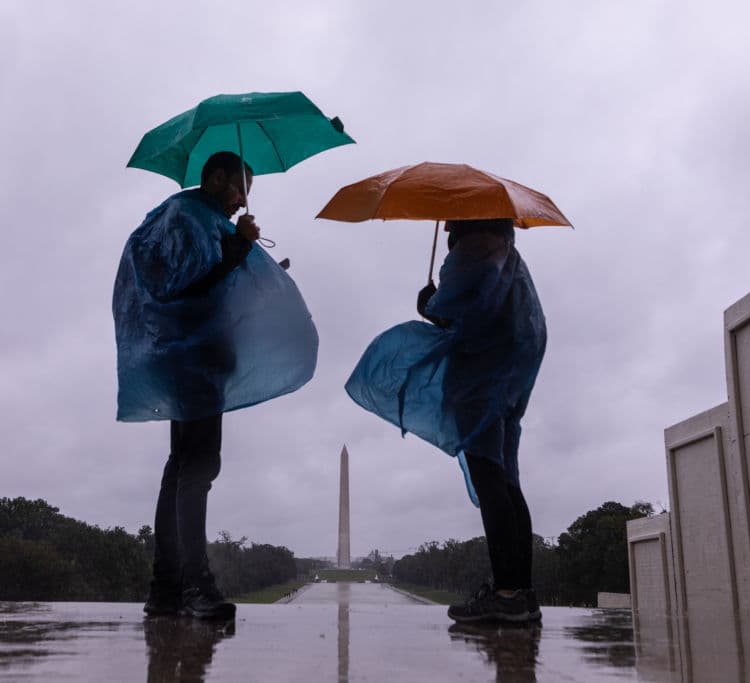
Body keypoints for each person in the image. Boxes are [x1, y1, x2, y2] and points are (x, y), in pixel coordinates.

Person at [113, 151, 318, 620]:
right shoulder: (189, 217)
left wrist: (260, 273)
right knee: (198, 468)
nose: (241, 200)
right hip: (195, 361)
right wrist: (242, 247)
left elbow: (204, 283)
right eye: (240, 189)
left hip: (185, 359)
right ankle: (194, 586)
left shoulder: (181, 217)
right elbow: (194, 282)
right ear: (218, 177)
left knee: (181, 467)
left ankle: (166, 586)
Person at [345, 218, 545, 624]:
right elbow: (496, 317)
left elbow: (467, 317)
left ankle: (506, 593)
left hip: (480, 382)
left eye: (453, 213)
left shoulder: (474, 250)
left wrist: (429, 306)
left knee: (491, 482)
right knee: (506, 483)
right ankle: (521, 591)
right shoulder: (510, 257)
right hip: (510, 382)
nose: (447, 219)